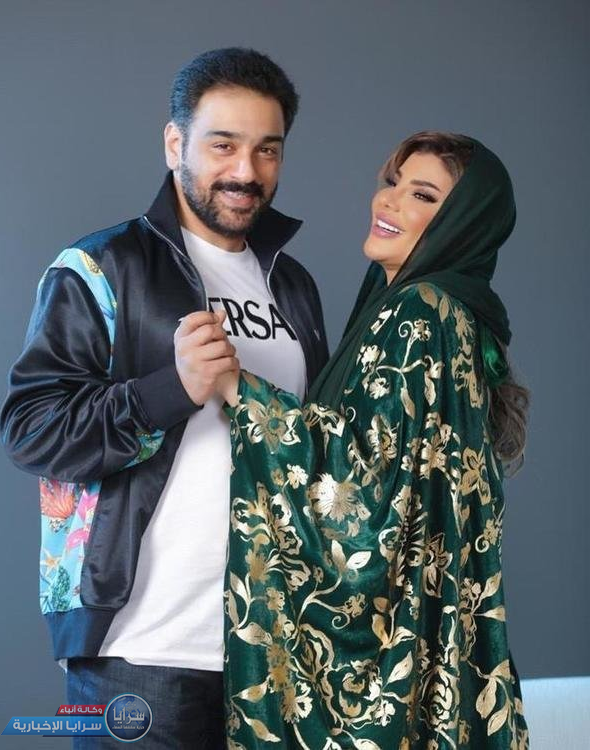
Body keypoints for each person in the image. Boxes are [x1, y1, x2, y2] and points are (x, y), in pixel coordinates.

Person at [0, 48, 328, 748]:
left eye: (267, 150)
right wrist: (168, 392)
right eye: (223, 145)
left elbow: (315, 447)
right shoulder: (101, 266)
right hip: (139, 651)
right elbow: (30, 429)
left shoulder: (293, 286)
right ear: (175, 144)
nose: (246, 172)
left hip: (276, 654)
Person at [207, 131, 529, 748]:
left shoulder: (418, 311)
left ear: (463, 225)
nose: (389, 201)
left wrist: (236, 387)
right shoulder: (455, 316)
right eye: (393, 183)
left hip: (386, 665)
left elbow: (361, 489)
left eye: (423, 196)